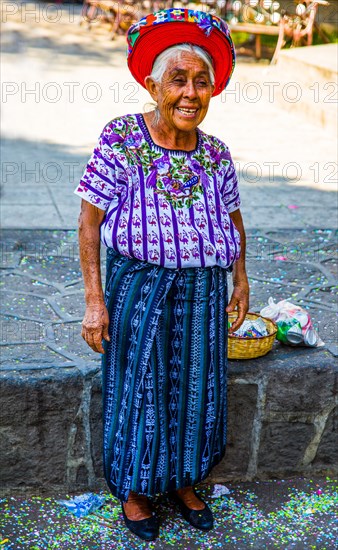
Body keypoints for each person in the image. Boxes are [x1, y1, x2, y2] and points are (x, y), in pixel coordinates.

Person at [74, 8, 249, 542]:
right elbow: (89, 220)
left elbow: (235, 219)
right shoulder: (123, 138)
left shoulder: (215, 154)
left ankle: (184, 483)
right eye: (178, 80)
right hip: (139, 287)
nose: (190, 93)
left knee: (198, 389)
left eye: (201, 82)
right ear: (152, 84)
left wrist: (240, 280)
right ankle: (134, 490)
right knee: (139, 388)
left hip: (202, 290)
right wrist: (94, 300)